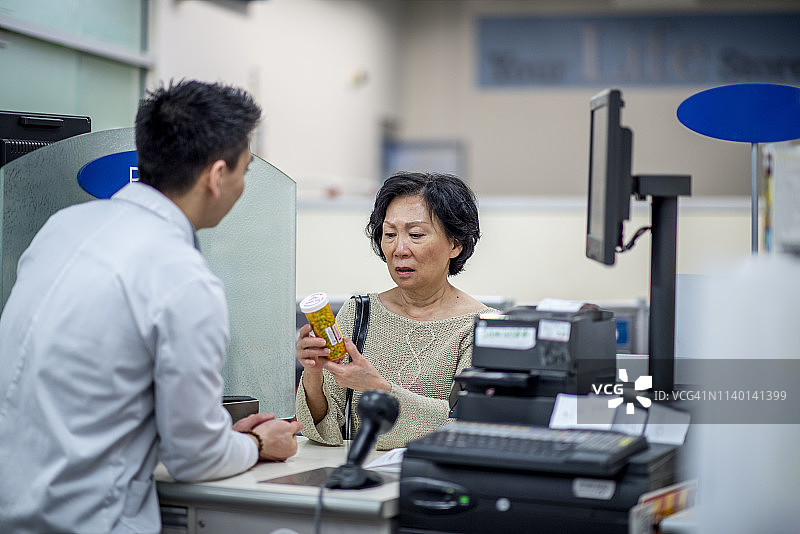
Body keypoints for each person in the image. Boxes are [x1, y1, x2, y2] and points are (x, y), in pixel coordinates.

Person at [0, 80, 303, 533]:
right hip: (93, 520)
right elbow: (194, 459)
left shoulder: (63, 228)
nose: (243, 185)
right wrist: (260, 442)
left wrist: (215, 438)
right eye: (245, 170)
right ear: (217, 177)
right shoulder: (183, 278)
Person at [295, 172, 496, 450]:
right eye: (389, 234)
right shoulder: (359, 312)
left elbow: (470, 428)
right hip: (358, 477)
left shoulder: (484, 327)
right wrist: (314, 373)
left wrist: (379, 389)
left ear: (456, 244)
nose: (399, 249)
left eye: (415, 235)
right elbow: (326, 428)